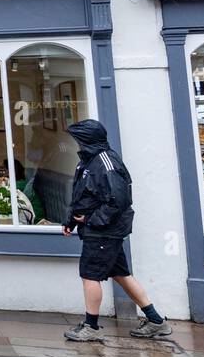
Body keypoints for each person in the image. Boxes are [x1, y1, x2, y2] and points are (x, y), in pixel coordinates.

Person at [62, 119, 171, 341]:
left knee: (89, 275)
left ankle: (90, 327)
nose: (76, 144)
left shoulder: (106, 162)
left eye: (79, 139)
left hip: (103, 230)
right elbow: (81, 196)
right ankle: (156, 321)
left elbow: (118, 200)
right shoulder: (88, 161)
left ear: (88, 140)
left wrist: (91, 220)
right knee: (122, 275)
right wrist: (71, 221)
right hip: (99, 228)